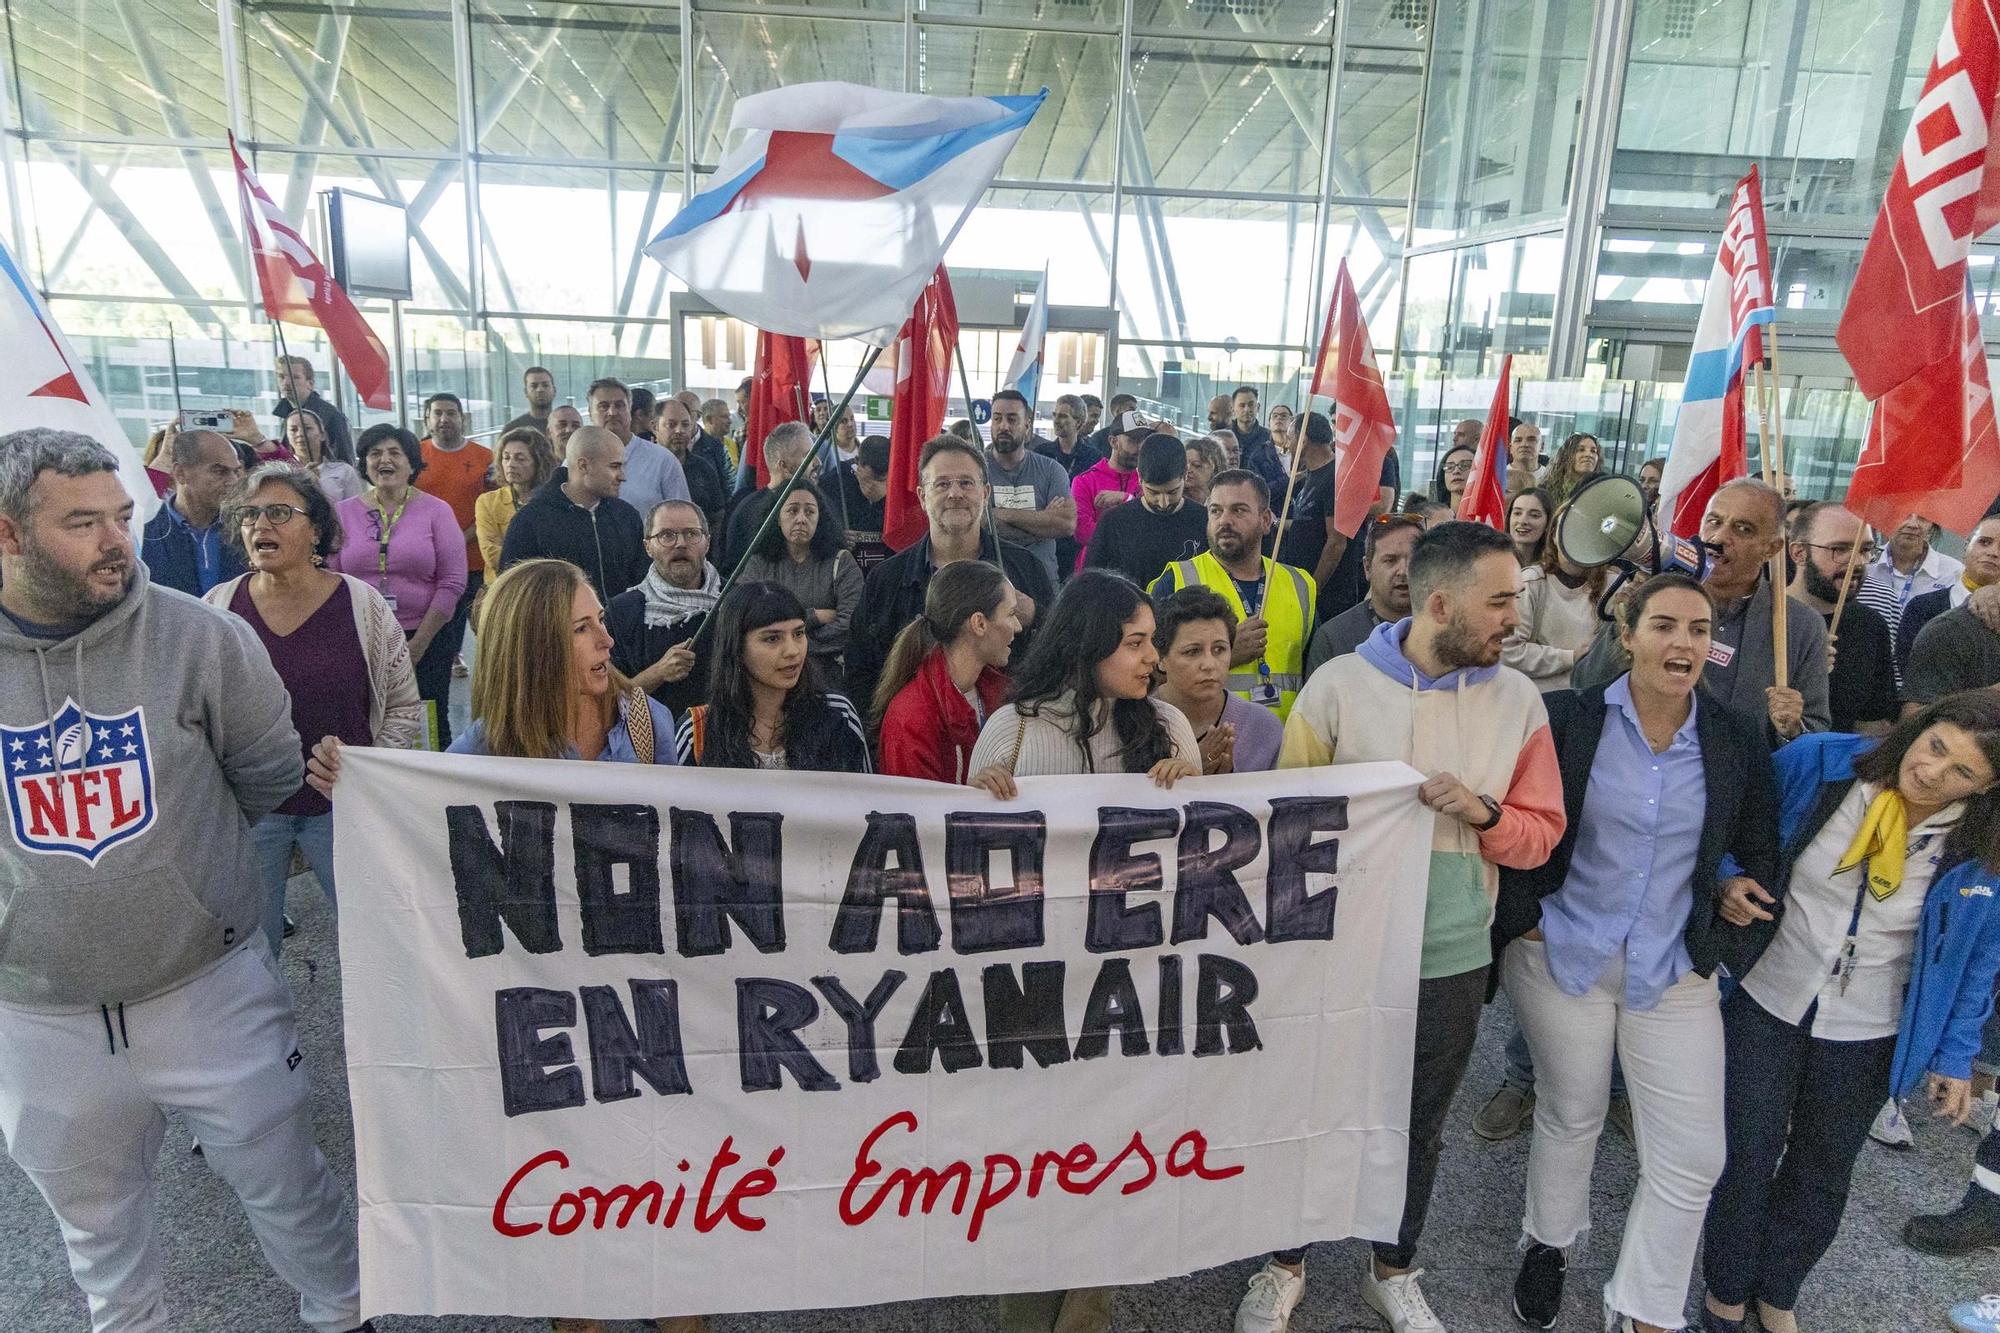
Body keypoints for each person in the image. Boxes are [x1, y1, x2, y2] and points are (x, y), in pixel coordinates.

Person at [0, 427, 371, 1333]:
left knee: (289, 1182)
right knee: (99, 1242)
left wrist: (181, 892)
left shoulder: (200, 635)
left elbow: (264, 773)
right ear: (8, 535)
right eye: (82, 523)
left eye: (121, 516)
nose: (117, 540)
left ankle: (345, 1313)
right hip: (38, 1015)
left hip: (206, 986)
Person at [1242, 520, 1564, 1333]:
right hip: (1339, 949)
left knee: (1419, 1119)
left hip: (1451, 952)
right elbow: (1287, 825)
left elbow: (1542, 831)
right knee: (1313, 1106)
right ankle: (1285, 1261)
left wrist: (1484, 813)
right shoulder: (1337, 685)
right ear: (1442, 601)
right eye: (1500, 601)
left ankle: (1394, 1266)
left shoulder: (1521, 698)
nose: (1513, 619)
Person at [1490, 575, 1778, 1333]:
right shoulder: (1566, 719)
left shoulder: (1736, 735)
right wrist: (1524, 919)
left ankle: (1645, 1308)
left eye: (1699, 628)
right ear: (1628, 634)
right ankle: (1548, 1246)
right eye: (1665, 625)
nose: (1683, 642)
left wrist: (1736, 887)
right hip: (1562, 952)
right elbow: (1517, 822)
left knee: (1692, 1156)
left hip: (1673, 966)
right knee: (1572, 1110)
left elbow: (1755, 845)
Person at [1700, 693, 2000, 1333]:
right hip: (1766, 996)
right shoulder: (1821, 764)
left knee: (1822, 1171)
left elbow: (1976, 961)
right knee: (1743, 1157)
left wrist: (1953, 1056)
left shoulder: (1982, 846)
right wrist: (1727, 879)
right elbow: (1728, 827)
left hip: (1871, 1029)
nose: (1932, 773)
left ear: (1989, 786)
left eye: (1963, 773)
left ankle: (1778, 1291)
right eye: (1936, 746)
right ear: (1918, 728)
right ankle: (1725, 1294)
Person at [206, 464, 421, 954]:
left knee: (377, 947)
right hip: (252, 815)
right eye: (250, 514)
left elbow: (405, 705)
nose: (261, 525)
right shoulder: (217, 610)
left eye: (280, 513)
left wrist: (367, 767)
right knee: (250, 957)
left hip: (344, 810)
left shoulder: (361, 605)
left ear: (317, 529)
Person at [1574, 478, 1829, 744]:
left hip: (1737, 778)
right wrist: (1626, 623)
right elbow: (1585, 683)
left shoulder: (1799, 625)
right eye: (1714, 522)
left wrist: (1792, 728)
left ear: (1772, 548)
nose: (1719, 538)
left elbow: (1815, 732)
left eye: (1742, 529)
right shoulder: (1654, 600)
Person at [847, 435, 1052, 708]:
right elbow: (860, 672)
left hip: (1008, 735)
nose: (955, 494)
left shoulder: (1025, 568)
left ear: (985, 493)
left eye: (966, 483)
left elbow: (1059, 656)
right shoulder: (886, 580)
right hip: (913, 738)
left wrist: (1037, 615)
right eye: (942, 484)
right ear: (922, 496)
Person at [966, 568, 1201, 801]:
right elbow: (970, 831)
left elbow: (1199, 834)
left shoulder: (1170, 727)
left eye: (1152, 639)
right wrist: (979, 797)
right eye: (1135, 643)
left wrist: (1192, 789)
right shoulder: (1008, 728)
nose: (1153, 657)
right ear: (1089, 645)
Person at [330, 424, 467, 748]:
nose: (384, 460)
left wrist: (418, 644)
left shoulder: (437, 511)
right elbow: (331, 577)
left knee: (426, 726)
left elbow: (453, 581)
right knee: (365, 722)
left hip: (425, 637)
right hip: (360, 638)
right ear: (364, 463)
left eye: (395, 453)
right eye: (375, 453)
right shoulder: (342, 513)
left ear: (412, 463)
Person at [1149, 469, 1316, 720]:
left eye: (1238, 510)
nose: (1224, 521)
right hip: (1204, 739)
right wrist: (1227, 655)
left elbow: (1314, 670)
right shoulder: (1177, 580)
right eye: (1215, 511)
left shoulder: (1300, 583)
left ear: (1266, 519)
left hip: (1284, 742)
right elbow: (1151, 672)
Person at [673, 580, 872, 772]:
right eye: (772, 638)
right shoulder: (698, 731)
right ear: (736, 647)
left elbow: (865, 799)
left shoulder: (838, 713)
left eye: (799, 633)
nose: (792, 651)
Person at [872, 560, 1021, 783]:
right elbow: (915, 812)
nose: (1018, 626)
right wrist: (970, 798)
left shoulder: (1002, 692)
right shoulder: (911, 717)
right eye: (1010, 614)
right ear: (979, 624)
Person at [499, 426, 648, 603]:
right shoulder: (530, 521)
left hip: (620, 628)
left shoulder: (626, 516)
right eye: (614, 466)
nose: (622, 476)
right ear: (583, 465)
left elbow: (642, 580)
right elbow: (512, 591)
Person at [1785, 502, 1896, 735]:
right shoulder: (1760, 614)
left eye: (1865, 550)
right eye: (1839, 549)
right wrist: (1801, 670)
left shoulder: (1870, 625)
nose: (1857, 562)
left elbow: (1873, 722)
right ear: (1799, 553)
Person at [735, 480, 863, 678]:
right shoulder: (758, 563)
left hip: (828, 676)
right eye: (792, 511)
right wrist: (815, 616)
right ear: (777, 517)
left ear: (820, 518)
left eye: (810, 512)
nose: (801, 519)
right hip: (769, 674)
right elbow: (749, 622)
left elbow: (851, 627)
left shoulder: (842, 562)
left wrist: (785, 642)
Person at [607, 500, 720, 718]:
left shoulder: (733, 600)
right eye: (667, 535)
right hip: (653, 744)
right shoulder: (621, 613)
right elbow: (609, 701)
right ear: (647, 546)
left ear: (707, 542)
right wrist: (658, 673)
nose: (680, 544)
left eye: (691, 534)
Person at [1154, 586, 1282, 774]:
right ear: (1161, 659)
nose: (1209, 664)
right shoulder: (1132, 720)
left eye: (1219, 649)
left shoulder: (1263, 727)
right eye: (1192, 651)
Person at [416, 391, 492, 678]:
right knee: (439, 615)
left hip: (473, 557)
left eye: (451, 413)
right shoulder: (415, 457)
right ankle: (448, 656)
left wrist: (459, 540)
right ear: (427, 419)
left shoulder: (484, 458)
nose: (444, 418)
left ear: (463, 418)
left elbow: (491, 507)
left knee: (477, 618)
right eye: (437, 413)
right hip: (428, 557)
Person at [1084, 432, 1207, 587]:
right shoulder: (1114, 523)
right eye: (1153, 492)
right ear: (1139, 476)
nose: (1163, 503)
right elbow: (1091, 583)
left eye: (1172, 492)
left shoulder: (1204, 521)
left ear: (1185, 474)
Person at [1308, 513, 1422, 673]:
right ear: (1367, 568)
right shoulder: (1334, 638)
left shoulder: (1445, 633)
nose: (1403, 571)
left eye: (1414, 560)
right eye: (1390, 560)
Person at [987, 388, 1077, 587]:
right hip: (991, 584)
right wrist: (1042, 523)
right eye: (997, 419)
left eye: (1012, 419)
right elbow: (979, 524)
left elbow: (1065, 524)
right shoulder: (976, 470)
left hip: (1042, 582)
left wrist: (1000, 514)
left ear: (1027, 424)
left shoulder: (1052, 469)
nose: (1003, 426)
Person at [140, 426, 246, 596]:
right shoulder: (145, 530)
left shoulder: (248, 526)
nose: (233, 481)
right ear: (181, 473)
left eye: (236, 471)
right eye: (220, 471)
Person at [1900, 514, 2000, 684]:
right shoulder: (1921, 607)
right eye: (1984, 542)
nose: (1993, 553)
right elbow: (1911, 670)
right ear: (1966, 547)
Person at [1503, 539, 1608, 694]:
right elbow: (1509, 651)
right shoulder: (1531, 581)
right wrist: (1569, 657)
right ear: (1553, 534)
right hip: (1540, 697)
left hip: (1592, 699)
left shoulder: (1613, 583)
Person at [721, 422, 820, 572]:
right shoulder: (749, 511)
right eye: (808, 456)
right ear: (784, 466)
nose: (818, 463)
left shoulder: (819, 503)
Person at [587, 377, 688, 520]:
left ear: (630, 411)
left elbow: (682, 518)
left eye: (619, 405)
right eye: (603, 406)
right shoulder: (577, 461)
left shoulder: (663, 461)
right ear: (590, 413)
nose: (612, 412)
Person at [1863, 516, 1964, 658]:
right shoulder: (1864, 564)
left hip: (1923, 660)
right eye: (1905, 515)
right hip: (1868, 655)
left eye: (1923, 518)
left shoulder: (1953, 571)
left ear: (1932, 526)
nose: (1912, 524)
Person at [1274, 410, 1343, 604]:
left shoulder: (1333, 477)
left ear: (1303, 440)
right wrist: (1275, 523)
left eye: (1290, 438)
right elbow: (1307, 523)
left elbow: (1336, 542)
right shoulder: (1311, 474)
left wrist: (1313, 589)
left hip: (1326, 596)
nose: (1287, 445)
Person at [474, 425, 556, 576]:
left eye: (520, 458)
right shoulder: (487, 502)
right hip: (503, 585)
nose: (511, 464)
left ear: (539, 462)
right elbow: (490, 552)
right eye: (506, 458)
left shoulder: (553, 500)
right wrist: (535, 565)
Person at [657, 393, 728, 532]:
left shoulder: (703, 468)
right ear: (654, 426)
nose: (679, 431)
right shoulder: (642, 466)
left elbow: (717, 515)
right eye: (671, 425)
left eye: (685, 425)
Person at [274, 354, 355, 464]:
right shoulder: (287, 414)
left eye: (295, 377)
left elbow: (344, 458)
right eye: (281, 376)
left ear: (310, 383)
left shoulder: (330, 415)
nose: (286, 383)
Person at [836, 434, 891, 571]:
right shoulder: (837, 481)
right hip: (851, 567)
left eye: (883, 480)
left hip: (887, 566)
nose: (877, 484)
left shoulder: (898, 486)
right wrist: (838, 536)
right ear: (858, 462)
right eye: (874, 478)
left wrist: (883, 501)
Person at [285, 406, 363, 503]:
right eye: (293, 430)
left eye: (307, 428)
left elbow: (354, 511)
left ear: (322, 435)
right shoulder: (284, 474)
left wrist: (318, 487)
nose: (300, 434)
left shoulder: (344, 471)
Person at [1227, 385, 1289, 498]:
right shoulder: (1223, 438)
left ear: (1258, 407)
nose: (1247, 409)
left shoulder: (1269, 438)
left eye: (1251, 405)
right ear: (1232, 409)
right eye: (1242, 405)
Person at [1038, 392, 1102, 479]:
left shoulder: (1092, 456)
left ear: (1078, 422)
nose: (1056, 421)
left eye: (1063, 416)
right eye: (1054, 415)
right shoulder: (1041, 453)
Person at [1542, 433, 1601, 511]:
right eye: (1581, 450)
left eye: (1593, 451)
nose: (1588, 454)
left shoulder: (1602, 489)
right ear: (1566, 455)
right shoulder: (1546, 489)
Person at [504, 365, 557, 435]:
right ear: (526, 392)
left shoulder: (568, 425)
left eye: (545, 385)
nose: (540, 390)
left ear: (554, 390)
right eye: (534, 386)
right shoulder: (512, 429)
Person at [1509, 487, 1552, 568]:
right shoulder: (1493, 561)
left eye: (1534, 515)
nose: (1522, 521)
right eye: (1517, 513)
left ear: (1548, 523)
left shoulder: (1552, 569)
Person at [698, 397, 737, 480]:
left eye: (729, 416)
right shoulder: (698, 446)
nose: (729, 421)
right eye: (724, 417)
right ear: (710, 419)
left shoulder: (731, 444)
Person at [1433, 442, 1475, 515]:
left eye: (1465, 465)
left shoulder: (1489, 519)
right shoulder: (1434, 518)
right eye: (1449, 467)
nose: (1456, 471)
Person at [1505, 421, 1544, 496]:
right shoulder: (1499, 476)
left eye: (1531, 440)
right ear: (1510, 448)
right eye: (1518, 440)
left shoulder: (1551, 477)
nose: (1524, 444)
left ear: (1542, 446)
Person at [1184, 435, 1225, 506]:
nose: (1188, 470)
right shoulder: (1176, 498)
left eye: (1197, 465)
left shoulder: (1223, 499)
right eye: (1184, 464)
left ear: (1214, 468)